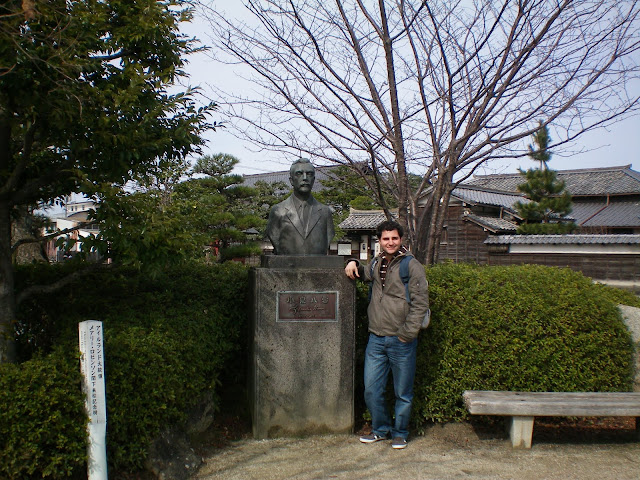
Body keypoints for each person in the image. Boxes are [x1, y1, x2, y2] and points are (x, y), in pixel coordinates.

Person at [344, 220, 429, 449]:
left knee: (403, 391)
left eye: (394, 238)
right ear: (379, 241)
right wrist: (352, 261)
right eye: (385, 238)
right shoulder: (377, 262)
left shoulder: (411, 266)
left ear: (400, 239)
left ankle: (400, 432)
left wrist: (407, 333)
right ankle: (380, 430)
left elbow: (420, 304)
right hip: (376, 338)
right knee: (372, 389)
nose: (390, 242)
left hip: (401, 339)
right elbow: (364, 274)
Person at [266, 158, 334, 255]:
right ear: (291, 180)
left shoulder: (325, 212)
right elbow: (274, 236)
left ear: (314, 180)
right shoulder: (278, 211)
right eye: (299, 174)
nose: (305, 178)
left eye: (309, 174)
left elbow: (329, 236)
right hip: (287, 266)